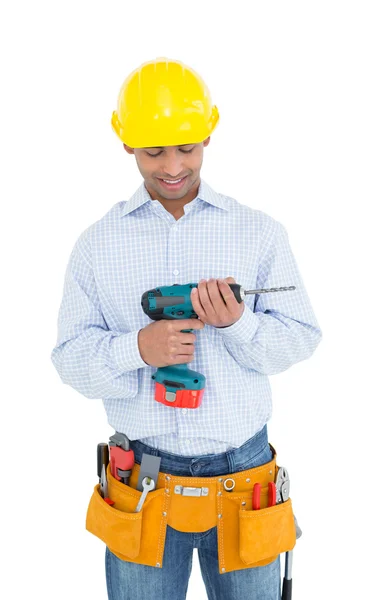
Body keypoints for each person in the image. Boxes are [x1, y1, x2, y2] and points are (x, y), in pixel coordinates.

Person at [51, 57, 322, 600]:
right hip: (142, 477)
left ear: (208, 137)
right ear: (126, 143)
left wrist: (240, 323)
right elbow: (68, 359)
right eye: (154, 151)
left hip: (243, 474)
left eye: (187, 148)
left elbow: (301, 337)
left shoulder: (258, 233)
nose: (172, 166)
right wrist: (137, 348)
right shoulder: (97, 245)